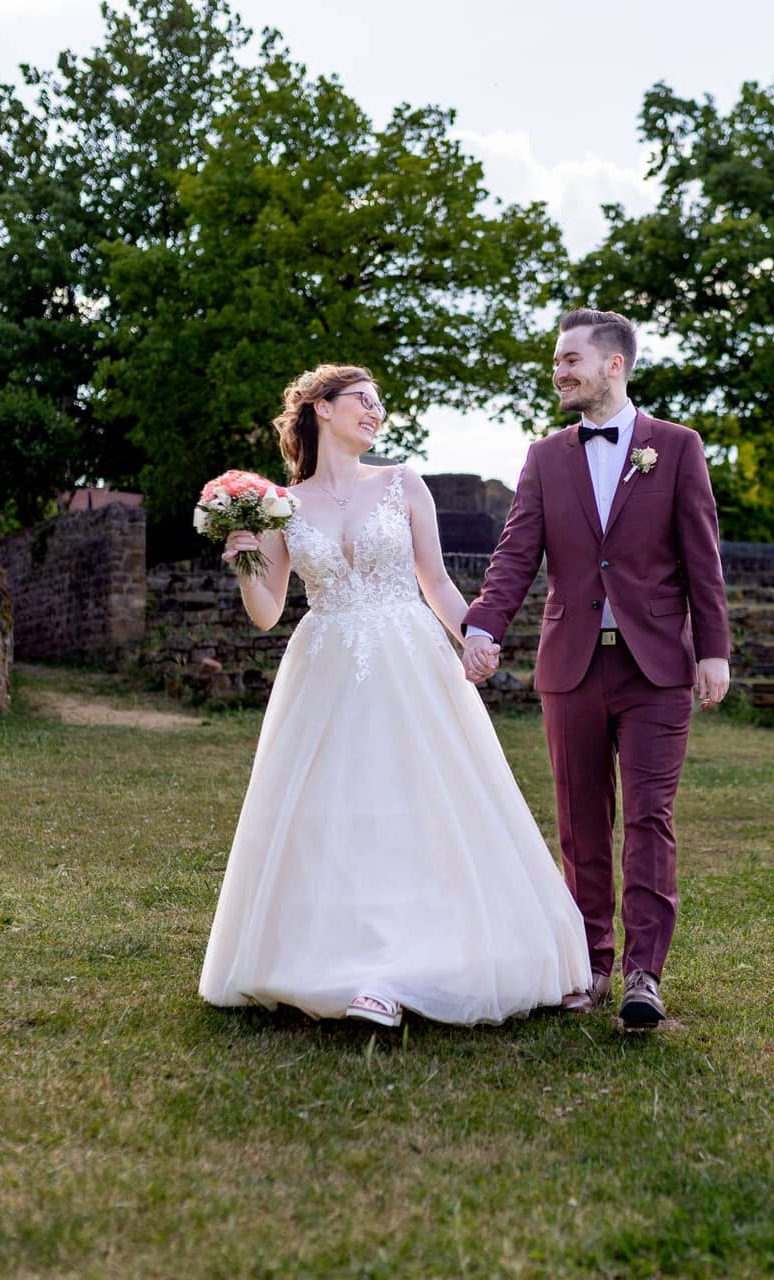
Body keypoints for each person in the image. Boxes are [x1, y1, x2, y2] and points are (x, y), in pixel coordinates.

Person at [198, 364, 589, 1027]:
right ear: (321, 408)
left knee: (421, 802)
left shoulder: (404, 483)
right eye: (362, 401)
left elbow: (434, 579)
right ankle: (350, 966)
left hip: (409, 659)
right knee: (337, 814)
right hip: (325, 669)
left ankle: (428, 959)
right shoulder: (280, 507)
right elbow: (266, 611)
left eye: (380, 405)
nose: (375, 412)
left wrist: (474, 636)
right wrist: (245, 559)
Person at [462, 309, 730, 1030]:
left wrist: (714, 649)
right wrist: (483, 625)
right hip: (571, 665)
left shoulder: (676, 448)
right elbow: (517, 553)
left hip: (656, 670)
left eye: (572, 359)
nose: (560, 371)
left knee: (650, 818)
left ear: (614, 364)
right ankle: (588, 964)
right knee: (581, 826)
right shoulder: (546, 456)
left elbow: (703, 558)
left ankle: (645, 974)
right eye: (557, 361)